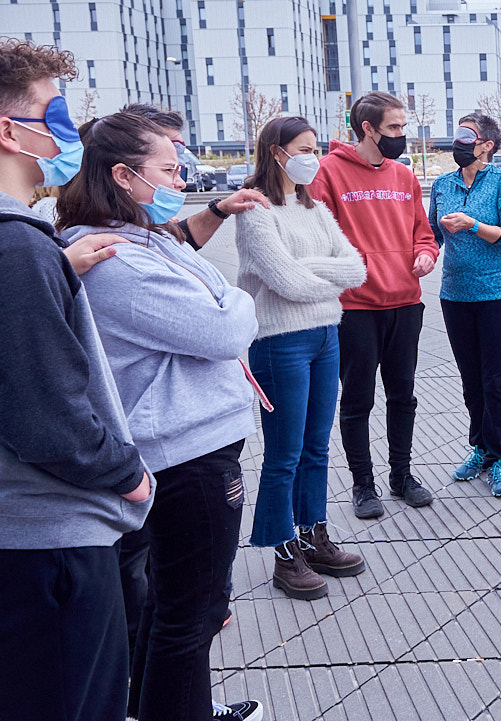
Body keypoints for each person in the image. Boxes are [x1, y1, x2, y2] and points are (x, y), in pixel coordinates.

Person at [55, 112, 263, 721]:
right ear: (124, 175)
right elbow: (222, 329)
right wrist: (237, 297)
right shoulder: (116, 257)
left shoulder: (142, 236)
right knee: (192, 613)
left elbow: (213, 305)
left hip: (187, 440)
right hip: (184, 451)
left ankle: (161, 705)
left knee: (170, 606)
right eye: (169, 170)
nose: (181, 180)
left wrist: (222, 300)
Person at [0, 38, 153, 721]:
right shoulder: (16, 248)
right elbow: (46, 415)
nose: (68, 132)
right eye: (53, 113)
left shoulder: (29, 247)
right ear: (10, 132)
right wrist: (128, 474)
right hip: (50, 542)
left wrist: (59, 267)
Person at [237, 116, 368, 599]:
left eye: (316, 148)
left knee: (317, 447)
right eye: (305, 149)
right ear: (276, 152)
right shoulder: (255, 211)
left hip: (325, 336)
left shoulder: (315, 209)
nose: (314, 157)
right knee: (284, 454)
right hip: (280, 343)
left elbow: (356, 269)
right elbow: (285, 283)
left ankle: (314, 535)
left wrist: (306, 270)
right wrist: (318, 276)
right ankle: (283, 551)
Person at [308, 91, 439, 519]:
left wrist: (426, 254)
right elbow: (319, 238)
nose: (402, 135)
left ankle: (401, 476)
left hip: (405, 303)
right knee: (357, 400)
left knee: (403, 396)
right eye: (394, 127)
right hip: (356, 308)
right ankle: (363, 485)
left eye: (403, 126)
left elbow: (424, 232)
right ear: (367, 128)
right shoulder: (328, 172)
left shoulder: (404, 176)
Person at [429, 113, 501, 496]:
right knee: (470, 381)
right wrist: (421, 254)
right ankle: (480, 448)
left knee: (493, 379)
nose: (459, 142)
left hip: (497, 293)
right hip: (455, 294)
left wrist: (472, 224)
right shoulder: (442, 184)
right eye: (457, 134)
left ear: (486, 145)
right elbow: (431, 233)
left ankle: (500, 458)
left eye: (468, 135)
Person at [120, 103, 269, 249]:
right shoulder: (117, 246)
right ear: (123, 175)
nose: (181, 183)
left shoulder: (143, 227)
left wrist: (221, 209)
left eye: (179, 170)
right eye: (167, 169)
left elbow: (183, 240)